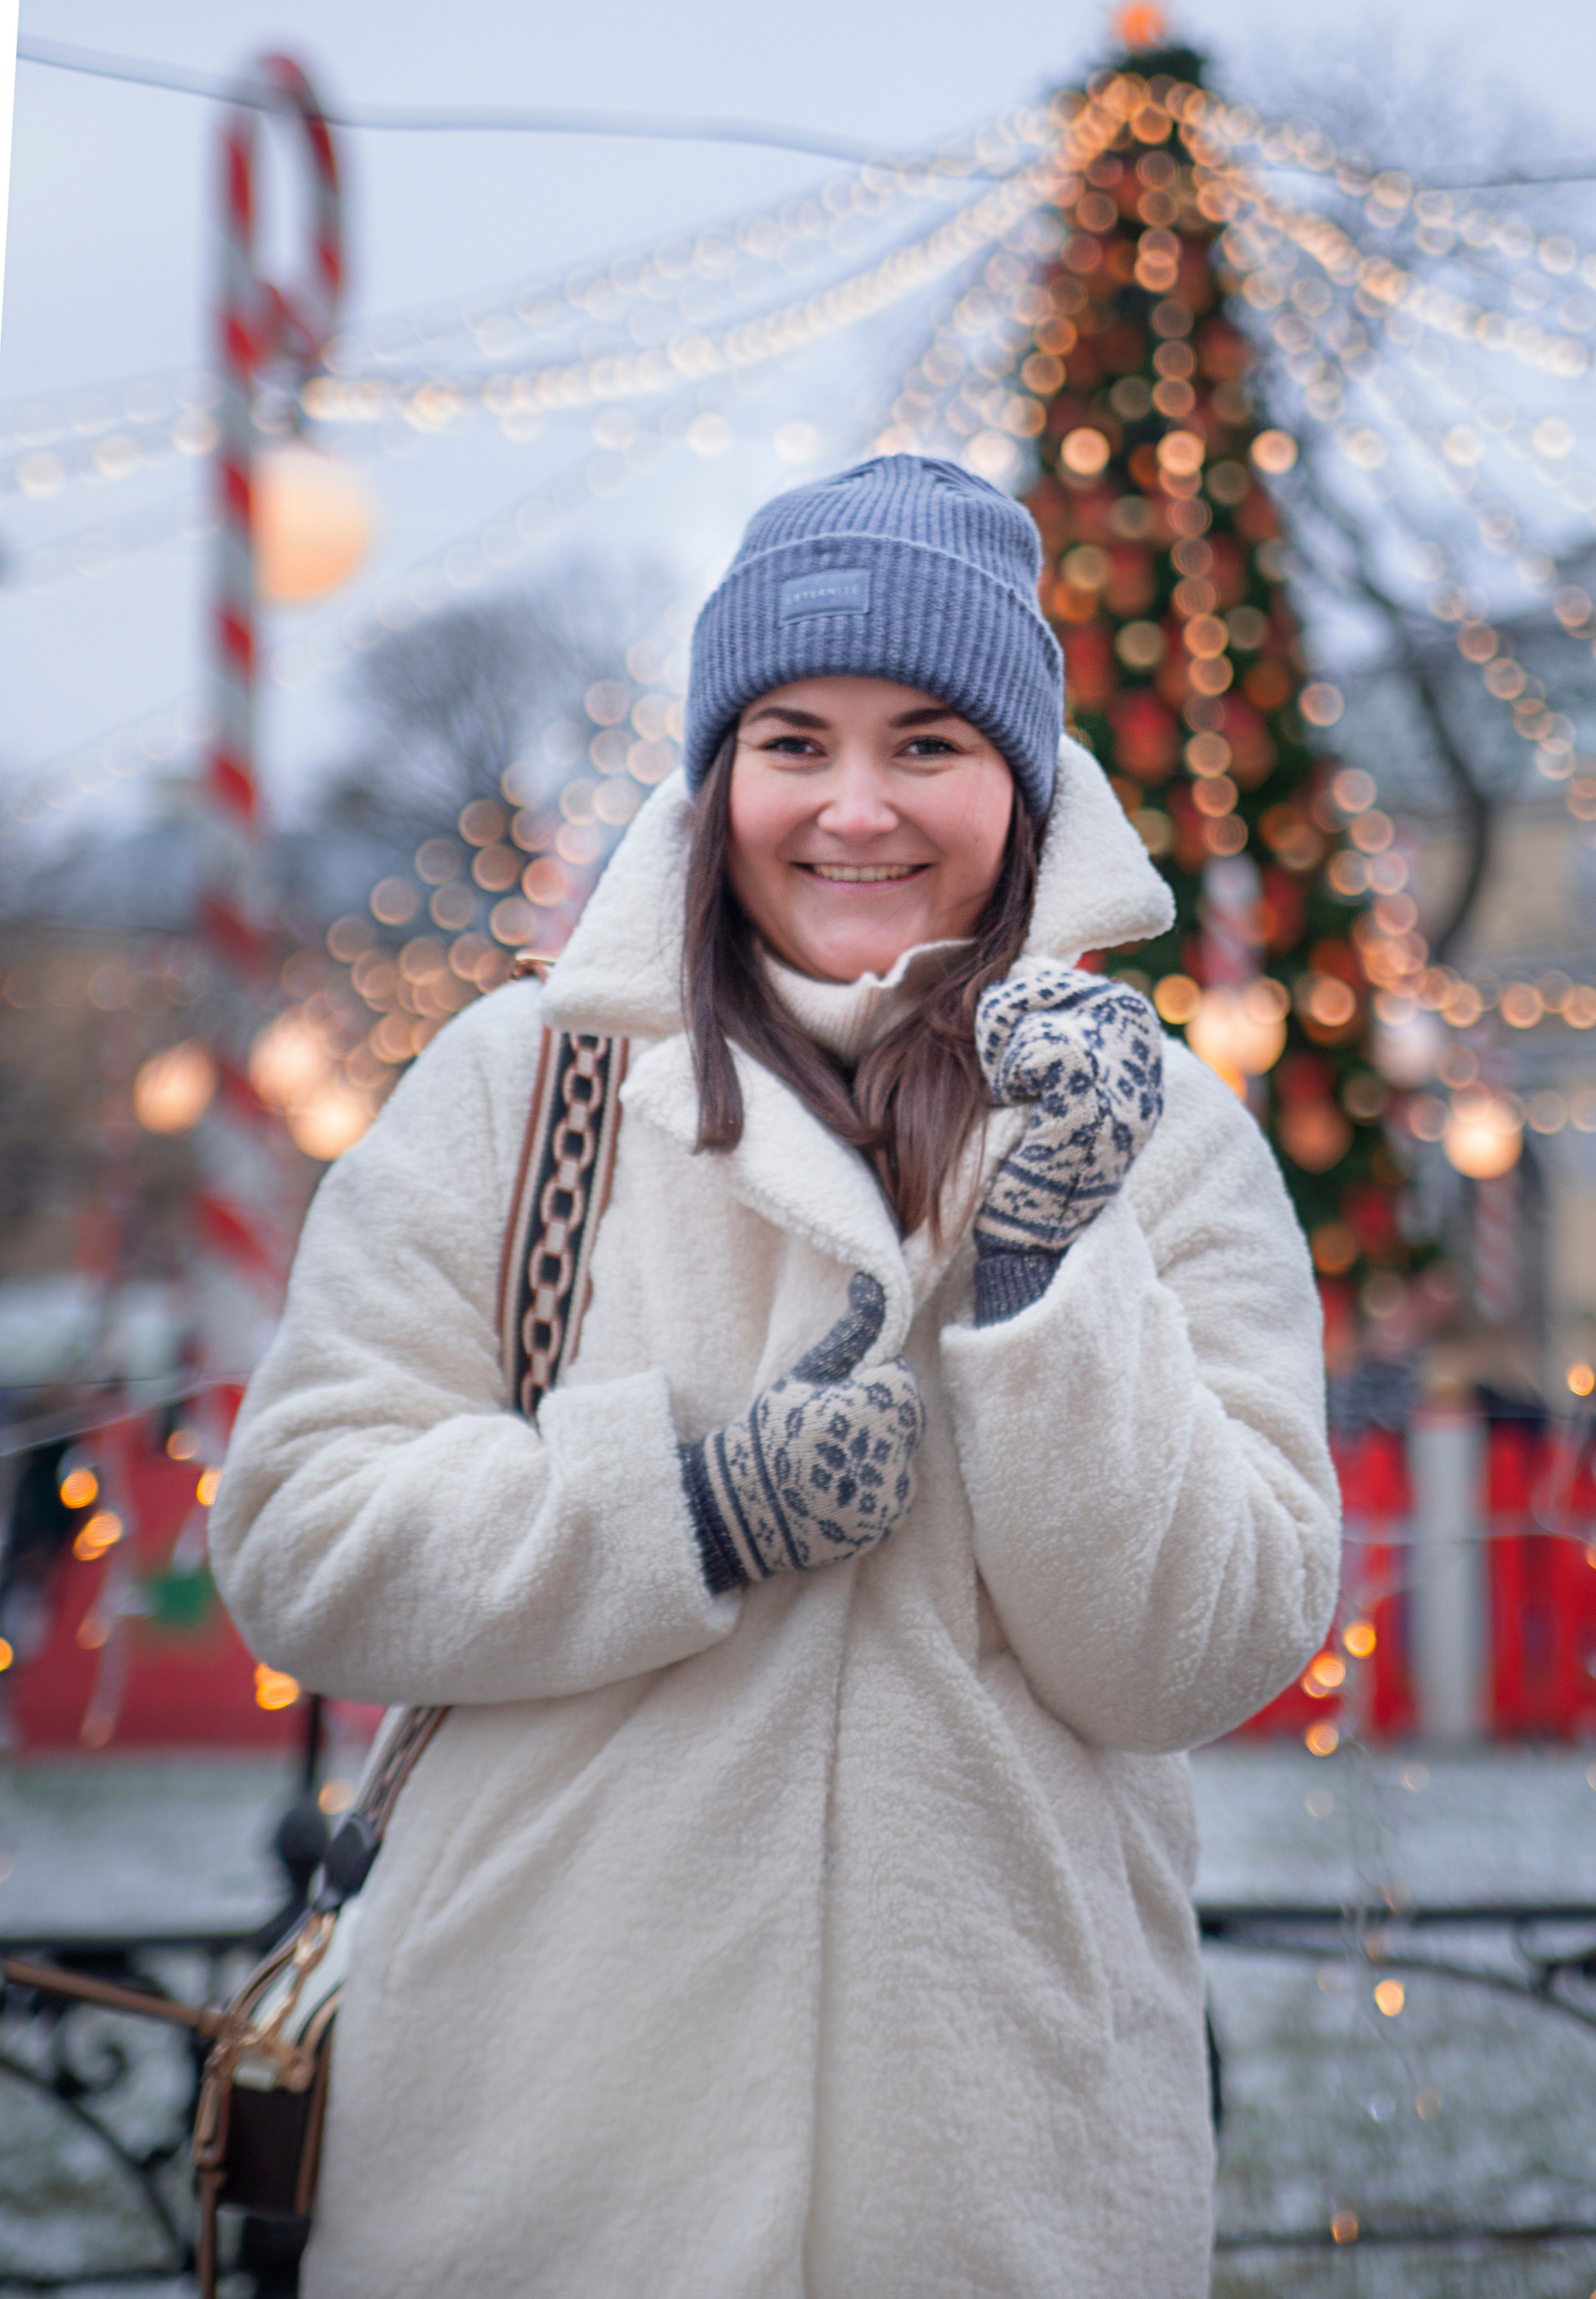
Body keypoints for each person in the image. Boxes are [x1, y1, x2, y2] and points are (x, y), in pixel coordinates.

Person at [212, 455, 1339, 2298]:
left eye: (927, 745)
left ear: (1024, 784)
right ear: (716, 771)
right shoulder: (528, 1087)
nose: (854, 809)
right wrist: (689, 1506)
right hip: (542, 2158)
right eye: (792, 740)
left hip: (1000, 2184)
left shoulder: (1166, 1133)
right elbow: (301, 1540)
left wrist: (1055, 1269)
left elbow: (1198, 1647)